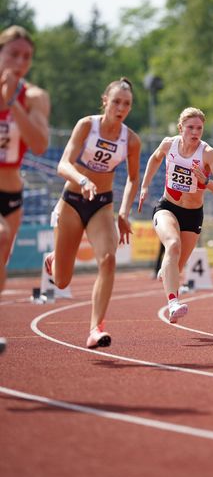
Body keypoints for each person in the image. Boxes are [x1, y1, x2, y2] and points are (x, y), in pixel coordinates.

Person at [45, 77, 141, 348]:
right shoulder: (87, 125)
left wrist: (123, 213)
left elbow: (133, 179)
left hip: (102, 204)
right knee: (62, 281)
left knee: (109, 259)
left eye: (127, 104)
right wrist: (83, 180)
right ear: (105, 101)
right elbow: (63, 164)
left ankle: (95, 328)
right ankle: (55, 256)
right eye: (116, 102)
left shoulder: (131, 140)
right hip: (73, 200)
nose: (121, 108)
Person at [138, 107, 213, 323]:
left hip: (193, 214)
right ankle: (173, 303)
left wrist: (205, 181)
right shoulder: (169, 144)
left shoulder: (208, 153)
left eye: (199, 128)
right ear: (181, 128)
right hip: (168, 207)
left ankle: (167, 272)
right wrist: (144, 187)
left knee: (176, 268)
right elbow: (155, 158)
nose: (195, 132)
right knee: (173, 245)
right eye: (190, 128)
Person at [0, 26, 50, 299]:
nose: (20, 63)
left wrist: (12, 103)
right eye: (13, 54)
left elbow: (40, 145)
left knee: (1, 262)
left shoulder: (34, 97)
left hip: (11, 195)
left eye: (27, 57)